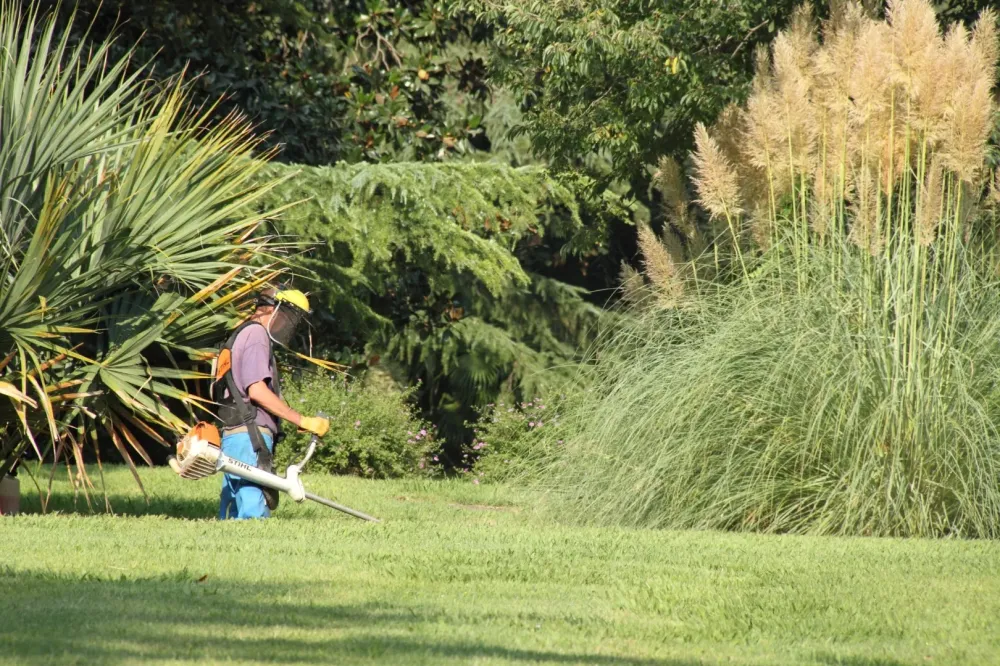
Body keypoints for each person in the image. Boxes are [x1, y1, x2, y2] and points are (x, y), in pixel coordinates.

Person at [213, 287, 329, 519]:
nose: (288, 326)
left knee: (233, 505)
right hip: (250, 432)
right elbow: (256, 390)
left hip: (235, 432)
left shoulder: (238, 335)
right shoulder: (257, 335)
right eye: (288, 318)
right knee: (252, 505)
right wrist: (302, 420)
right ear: (272, 310)